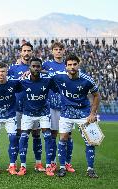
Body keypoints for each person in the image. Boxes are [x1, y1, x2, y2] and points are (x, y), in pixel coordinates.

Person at [50, 54, 100, 178]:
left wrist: (93, 113)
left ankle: (90, 169)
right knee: (63, 139)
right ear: (65, 66)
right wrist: (28, 72)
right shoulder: (59, 77)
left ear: (78, 64)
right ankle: (62, 167)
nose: (72, 67)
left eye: (74, 64)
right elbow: (42, 74)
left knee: (90, 141)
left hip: (84, 113)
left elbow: (97, 95)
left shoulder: (87, 80)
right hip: (66, 113)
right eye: (70, 65)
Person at [17, 58, 57, 176]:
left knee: (48, 137)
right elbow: (12, 85)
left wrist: (46, 72)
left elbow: (57, 80)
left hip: (43, 113)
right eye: (33, 66)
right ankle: (23, 166)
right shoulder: (23, 81)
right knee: (23, 137)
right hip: (28, 113)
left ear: (41, 68)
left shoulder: (47, 80)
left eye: (38, 66)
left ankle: (48, 166)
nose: (35, 68)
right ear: (29, 67)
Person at [9, 42, 45, 172]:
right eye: (24, 50)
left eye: (29, 50)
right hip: (18, 107)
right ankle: (15, 163)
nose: (26, 53)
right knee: (18, 135)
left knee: (36, 134)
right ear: (20, 52)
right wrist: (21, 77)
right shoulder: (13, 68)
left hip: (34, 107)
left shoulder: (37, 66)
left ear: (32, 52)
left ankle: (38, 163)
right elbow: (10, 84)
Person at [42, 42, 75, 172]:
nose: (58, 51)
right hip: (52, 104)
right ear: (52, 51)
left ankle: (67, 162)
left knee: (68, 134)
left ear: (64, 51)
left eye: (60, 49)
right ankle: (54, 162)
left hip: (67, 104)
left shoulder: (68, 65)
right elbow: (36, 70)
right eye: (56, 49)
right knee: (53, 134)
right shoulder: (47, 65)